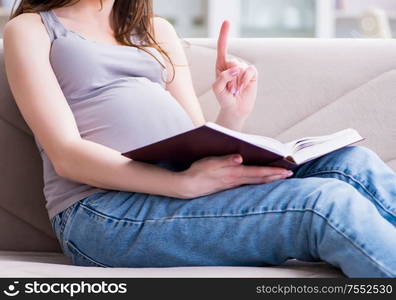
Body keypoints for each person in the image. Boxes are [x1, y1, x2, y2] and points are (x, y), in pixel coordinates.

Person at [3, 0, 396, 277]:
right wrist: (180, 184)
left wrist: (231, 112)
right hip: (103, 213)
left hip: (182, 187)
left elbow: (197, 138)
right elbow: (66, 155)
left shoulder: (157, 30)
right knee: (321, 204)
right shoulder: (32, 28)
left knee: (351, 165)